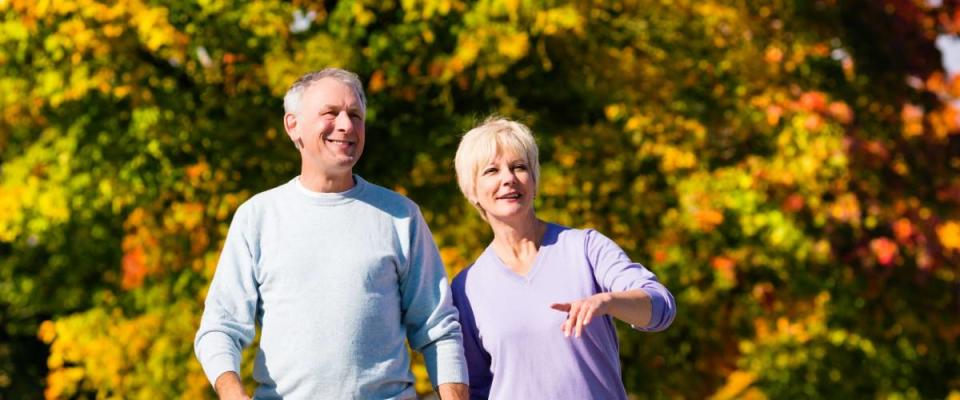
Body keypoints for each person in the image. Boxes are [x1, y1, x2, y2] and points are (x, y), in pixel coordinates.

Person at [194, 68, 469, 400]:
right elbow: (219, 327)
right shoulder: (257, 217)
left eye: (355, 115)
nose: (346, 126)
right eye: (331, 113)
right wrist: (231, 391)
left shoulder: (400, 215)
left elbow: (438, 328)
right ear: (292, 125)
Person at [450, 117, 676, 399]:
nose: (508, 178)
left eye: (519, 167)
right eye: (492, 171)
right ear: (472, 191)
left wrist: (607, 301)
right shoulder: (466, 288)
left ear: (533, 181)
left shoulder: (585, 248)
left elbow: (660, 307)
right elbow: (474, 388)